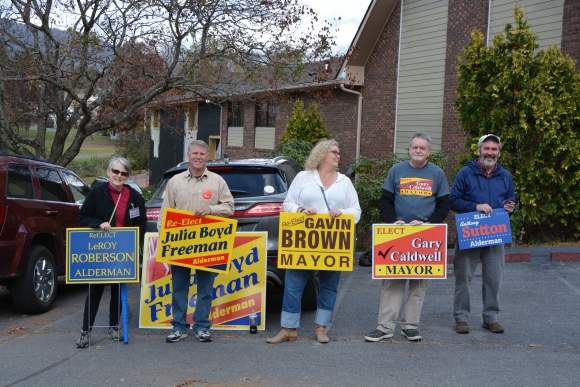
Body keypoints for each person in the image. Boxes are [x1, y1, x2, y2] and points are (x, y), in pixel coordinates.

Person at [267, 139, 361, 344]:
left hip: (332, 242)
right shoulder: (303, 177)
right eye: (334, 152)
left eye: (338, 152)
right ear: (322, 155)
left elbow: (356, 211)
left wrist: (342, 212)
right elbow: (288, 203)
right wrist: (301, 210)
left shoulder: (344, 182)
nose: (338, 155)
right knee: (293, 285)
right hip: (302, 241)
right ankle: (288, 329)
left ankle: (321, 327)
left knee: (328, 286)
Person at [364, 131, 450, 343]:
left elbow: (444, 204)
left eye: (422, 148)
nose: (418, 151)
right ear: (409, 149)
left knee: (419, 284)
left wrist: (430, 223)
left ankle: (410, 326)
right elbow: (385, 200)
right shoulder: (397, 170)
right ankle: (384, 327)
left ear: (429, 152)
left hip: (425, 235)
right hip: (398, 233)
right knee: (392, 282)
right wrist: (394, 221)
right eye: (415, 147)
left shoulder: (437, 174)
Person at [158, 140, 234, 343]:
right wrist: (163, 241)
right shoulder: (175, 181)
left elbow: (229, 207)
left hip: (208, 244)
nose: (199, 156)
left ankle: (201, 327)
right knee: (179, 287)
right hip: (179, 244)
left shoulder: (217, 181)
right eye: (195, 153)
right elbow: (165, 213)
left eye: (203, 153)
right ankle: (179, 327)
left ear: (207, 156)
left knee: (205, 289)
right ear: (188, 155)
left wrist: (211, 209)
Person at [75, 157, 147, 348]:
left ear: (128, 176)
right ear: (108, 172)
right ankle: (85, 332)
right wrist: (98, 223)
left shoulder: (135, 198)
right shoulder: (97, 193)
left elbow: (141, 223)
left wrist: (132, 239)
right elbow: (82, 217)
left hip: (122, 252)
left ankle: (114, 327)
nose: (118, 176)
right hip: (100, 251)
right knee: (95, 292)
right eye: (115, 171)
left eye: (123, 173)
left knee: (118, 291)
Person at [449, 134, 516, 334]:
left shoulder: (505, 176)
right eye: (486, 148)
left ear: (499, 153)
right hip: (469, 231)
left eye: (494, 149)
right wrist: (475, 206)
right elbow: (453, 201)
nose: (490, 152)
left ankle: (491, 318)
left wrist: (511, 205)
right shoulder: (466, 173)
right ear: (479, 151)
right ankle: (461, 318)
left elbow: (510, 198)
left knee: (494, 278)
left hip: (495, 232)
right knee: (464, 277)